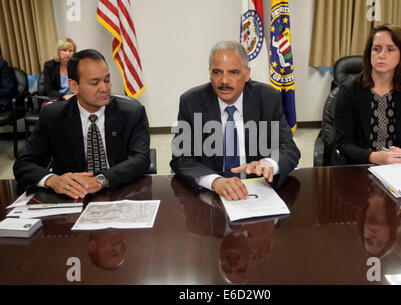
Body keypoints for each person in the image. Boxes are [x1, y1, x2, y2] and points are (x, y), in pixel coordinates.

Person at [170, 40, 300, 201]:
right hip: (211, 196)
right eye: (217, 72)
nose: (224, 81)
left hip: (258, 192)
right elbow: (181, 158)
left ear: (247, 74)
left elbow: (289, 148)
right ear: (210, 73)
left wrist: (269, 163)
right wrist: (215, 181)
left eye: (233, 72)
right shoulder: (191, 102)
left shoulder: (268, 98)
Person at [13, 49, 150, 198]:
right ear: (74, 86)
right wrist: (52, 180)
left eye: (106, 80)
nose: (104, 88)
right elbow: (24, 164)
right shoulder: (53, 116)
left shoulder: (132, 112)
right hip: (73, 196)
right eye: (94, 82)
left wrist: (101, 179)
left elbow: (141, 159)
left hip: (120, 191)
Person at [333, 24, 401, 165]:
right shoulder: (348, 90)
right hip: (360, 167)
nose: (381, 55)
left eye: (390, 49)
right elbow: (342, 144)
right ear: (369, 53)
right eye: (376, 49)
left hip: (399, 168)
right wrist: (374, 157)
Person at [42, 37, 77, 105]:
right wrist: (64, 96)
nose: (67, 54)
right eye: (64, 50)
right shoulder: (50, 65)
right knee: (51, 106)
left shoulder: (76, 65)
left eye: (70, 51)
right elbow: (49, 90)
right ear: (58, 51)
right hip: (55, 97)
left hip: (73, 98)